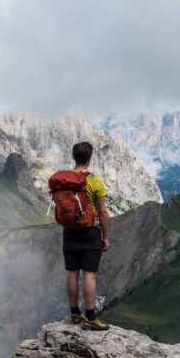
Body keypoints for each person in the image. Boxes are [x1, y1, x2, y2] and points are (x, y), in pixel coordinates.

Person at [63, 141, 111, 330]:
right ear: (89, 158)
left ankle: (75, 314)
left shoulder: (65, 180)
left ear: (74, 157)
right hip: (90, 231)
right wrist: (105, 237)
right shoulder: (94, 181)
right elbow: (103, 212)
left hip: (69, 231)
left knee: (72, 272)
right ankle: (90, 317)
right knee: (89, 274)